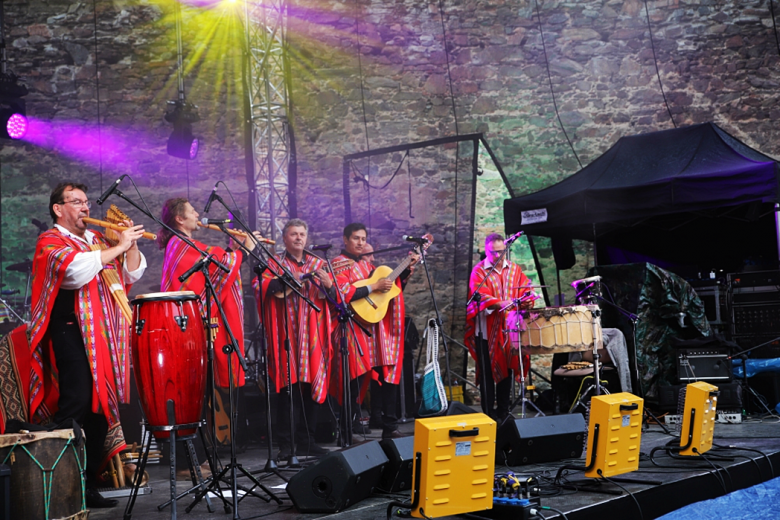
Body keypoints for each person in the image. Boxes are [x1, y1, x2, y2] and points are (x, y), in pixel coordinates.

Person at [28, 181, 147, 508]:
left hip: (101, 335)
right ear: (58, 208)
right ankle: (63, 482)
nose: (85, 208)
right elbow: (75, 273)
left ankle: (87, 482)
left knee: (100, 410)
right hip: (69, 332)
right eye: (77, 202)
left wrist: (130, 243)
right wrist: (119, 246)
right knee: (77, 403)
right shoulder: (50, 241)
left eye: (86, 203)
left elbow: (131, 274)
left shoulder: (95, 240)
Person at [252, 218, 333, 461]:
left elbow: (334, 293)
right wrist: (285, 281)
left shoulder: (318, 263)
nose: (298, 238)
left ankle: (308, 441)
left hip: (312, 335)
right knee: (288, 389)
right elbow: (259, 286)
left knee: (310, 388)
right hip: (286, 335)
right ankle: (286, 446)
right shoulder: (274, 262)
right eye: (293, 234)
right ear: (285, 238)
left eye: (302, 234)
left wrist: (328, 284)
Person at [332, 223, 418, 439]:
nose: (360, 243)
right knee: (353, 378)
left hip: (376, 328)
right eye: (355, 238)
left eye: (363, 238)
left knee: (387, 372)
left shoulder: (364, 265)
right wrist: (374, 287)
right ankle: (346, 431)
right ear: (345, 239)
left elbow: (387, 291)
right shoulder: (338, 264)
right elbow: (342, 293)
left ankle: (390, 426)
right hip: (351, 328)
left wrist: (406, 269)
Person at [159, 198, 255, 390]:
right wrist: (245, 251)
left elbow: (210, 268)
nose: (197, 215)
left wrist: (232, 250)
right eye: (192, 211)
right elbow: (213, 261)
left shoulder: (181, 242)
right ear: (179, 218)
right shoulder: (180, 243)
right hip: (188, 321)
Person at [465, 233, 535, 421]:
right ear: (486, 251)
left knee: (507, 371)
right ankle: (488, 413)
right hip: (486, 331)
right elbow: (483, 296)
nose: (498, 256)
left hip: (509, 329)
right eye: (493, 252)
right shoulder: (479, 271)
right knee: (487, 373)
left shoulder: (514, 269)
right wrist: (506, 303)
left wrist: (527, 301)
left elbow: (526, 290)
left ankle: (504, 412)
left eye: (501, 252)